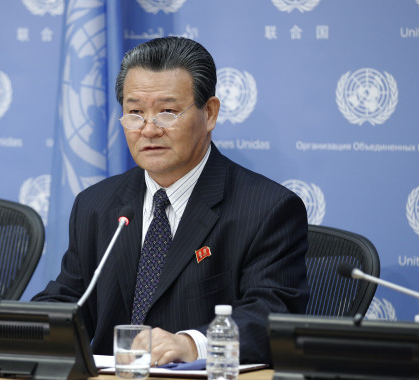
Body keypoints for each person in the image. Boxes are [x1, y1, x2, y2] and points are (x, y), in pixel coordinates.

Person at [33, 36, 308, 365]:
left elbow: (272, 315)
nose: (148, 129)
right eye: (135, 112)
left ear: (209, 113)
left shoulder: (267, 209)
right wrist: (19, 328)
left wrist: (193, 345)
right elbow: (71, 300)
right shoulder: (97, 204)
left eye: (167, 112)